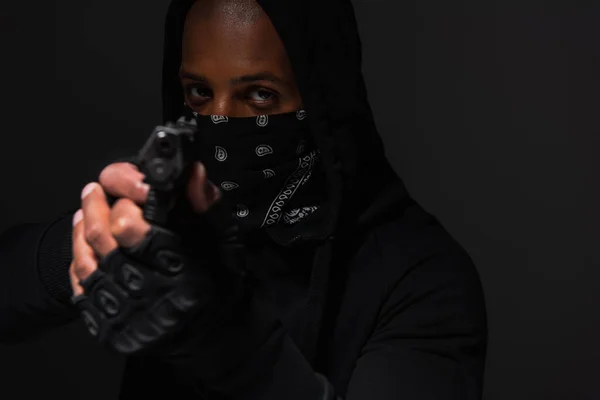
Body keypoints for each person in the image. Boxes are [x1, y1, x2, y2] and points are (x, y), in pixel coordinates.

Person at [0, 0, 488, 398]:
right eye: (197, 92)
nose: (219, 119)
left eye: (259, 96)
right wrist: (91, 241)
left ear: (323, 99)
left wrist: (221, 337)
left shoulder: (422, 277)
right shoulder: (170, 226)